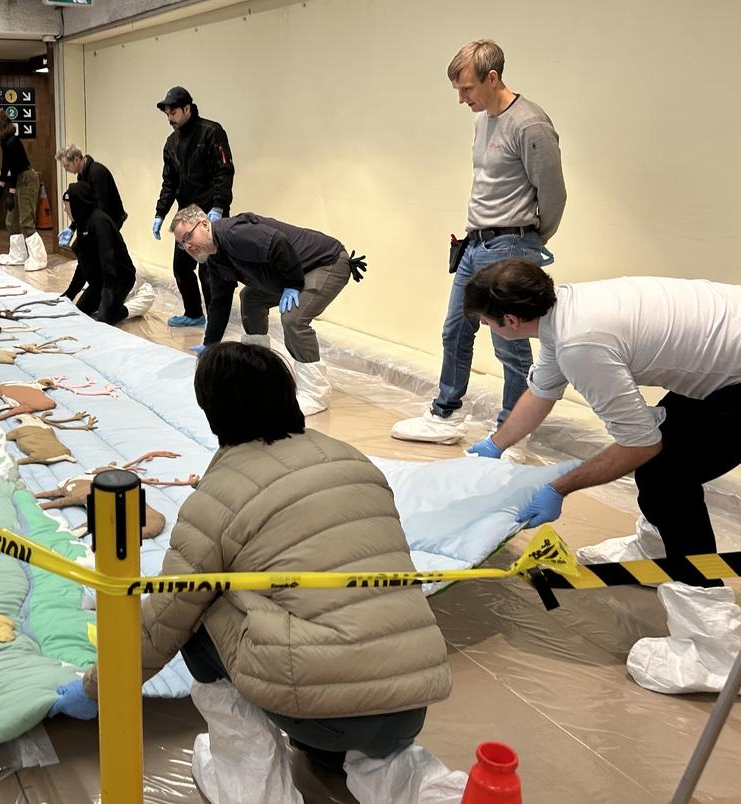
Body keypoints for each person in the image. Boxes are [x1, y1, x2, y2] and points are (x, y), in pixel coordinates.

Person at [54, 342, 451, 779]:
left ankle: (246, 769)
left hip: (326, 715)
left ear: (213, 413)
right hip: (413, 706)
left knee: (196, 605)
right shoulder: (355, 460)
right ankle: (341, 753)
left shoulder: (220, 495)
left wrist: (95, 689)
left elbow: (165, 619)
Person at [463, 259, 741, 584]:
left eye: (486, 321)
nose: (486, 326)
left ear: (510, 320)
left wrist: (558, 489)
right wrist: (494, 445)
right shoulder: (564, 311)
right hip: (731, 356)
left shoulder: (580, 344)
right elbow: (541, 393)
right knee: (664, 458)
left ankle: (702, 603)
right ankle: (657, 551)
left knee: (666, 478)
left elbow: (640, 446)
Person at [391, 40, 566, 447]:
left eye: (467, 89)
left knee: (510, 344)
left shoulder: (530, 124)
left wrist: (530, 242)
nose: (461, 98)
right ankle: (445, 413)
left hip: (511, 246)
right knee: (455, 329)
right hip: (475, 244)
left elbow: (553, 193)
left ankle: (511, 430)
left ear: (492, 77)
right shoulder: (483, 120)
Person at [170, 205, 366, 415]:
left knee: (293, 318)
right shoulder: (214, 259)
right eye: (182, 243)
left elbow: (277, 242)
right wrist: (210, 344)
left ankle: (314, 394)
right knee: (250, 298)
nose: (188, 246)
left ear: (205, 224)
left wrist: (293, 284)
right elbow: (220, 302)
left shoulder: (233, 233)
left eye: (188, 236)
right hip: (291, 272)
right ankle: (260, 370)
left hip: (325, 263)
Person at [153, 87, 235, 329]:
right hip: (186, 215)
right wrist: (160, 213)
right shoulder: (171, 143)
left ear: (187, 108)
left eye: (173, 112)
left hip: (209, 213)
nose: (170, 119)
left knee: (208, 271)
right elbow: (169, 182)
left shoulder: (211, 132)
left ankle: (214, 322)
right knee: (181, 267)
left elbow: (224, 172)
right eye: (167, 114)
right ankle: (193, 313)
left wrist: (219, 207)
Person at [60, 181, 138, 325]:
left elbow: (107, 259)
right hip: (99, 281)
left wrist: (108, 294)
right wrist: (69, 294)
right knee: (80, 313)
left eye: (66, 205)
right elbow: (83, 265)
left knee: (105, 319)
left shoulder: (99, 222)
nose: (65, 209)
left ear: (77, 204)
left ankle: (136, 303)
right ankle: (113, 301)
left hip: (118, 279)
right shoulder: (82, 223)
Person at [0, 108, 45, 271]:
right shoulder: (5, 141)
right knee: (11, 220)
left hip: (26, 180)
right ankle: (18, 255)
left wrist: (11, 194)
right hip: (18, 180)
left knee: (26, 221)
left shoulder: (12, 142)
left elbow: (16, 169)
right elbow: (5, 165)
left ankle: (39, 258)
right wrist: (0, 186)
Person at [57, 144, 126, 228]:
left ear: (76, 159)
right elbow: (83, 203)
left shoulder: (96, 172)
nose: (66, 170)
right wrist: (73, 226)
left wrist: (97, 228)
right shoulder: (81, 175)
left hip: (111, 218)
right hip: (99, 217)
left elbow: (103, 204)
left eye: (67, 166)